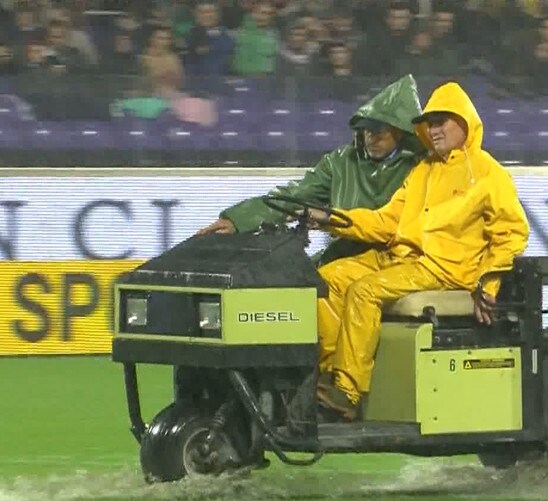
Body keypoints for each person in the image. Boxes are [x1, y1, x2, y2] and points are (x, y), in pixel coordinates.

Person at [309, 81, 530, 421]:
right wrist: (332, 219)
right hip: (401, 259)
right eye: (431, 122)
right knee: (325, 280)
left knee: (364, 291)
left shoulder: (489, 174)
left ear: (466, 123)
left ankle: (348, 393)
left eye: (442, 121)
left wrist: (489, 283)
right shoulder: (423, 171)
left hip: (442, 269)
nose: (434, 129)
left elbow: (511, 232)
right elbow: (386, 222)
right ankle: (330, 374)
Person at [194, 74, 426, 266]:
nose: (371, 138)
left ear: (400, 131)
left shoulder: (421, 165)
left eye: (379, 132)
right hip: (343, 254)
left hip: (397, 259)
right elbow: (295, 195)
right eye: (367, 130)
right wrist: (240, 219)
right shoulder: (341, 162)